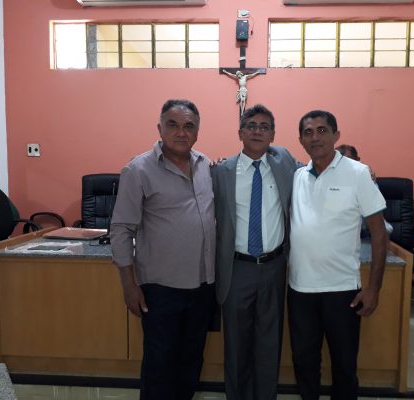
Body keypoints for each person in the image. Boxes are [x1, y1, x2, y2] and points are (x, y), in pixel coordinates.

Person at [110, 99, 216, 400]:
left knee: (191, 361)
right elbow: (121, 229)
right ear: (160, 129)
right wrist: (129, 285)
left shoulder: (206, 165)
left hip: (203, 285)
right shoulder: (138, 169)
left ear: (197, 131)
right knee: (160, 364)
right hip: (160, 288)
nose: (181, 132)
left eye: (189, 126)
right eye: (173, 125)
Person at [288, 110, 388, 400]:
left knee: (344, 365)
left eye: (322, 130)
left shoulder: (358, 173)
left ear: (336, 135)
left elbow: (380, 233)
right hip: (300, 289)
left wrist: (374, 288)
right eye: (308, 132)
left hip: (342, 290)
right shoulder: (297, 176)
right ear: (301, 140)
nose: (315, 137)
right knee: (304, 363)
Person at [212, 104, 297, 400]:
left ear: (273, 134)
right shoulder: (221, 171)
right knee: (236, 344)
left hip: (274, 266)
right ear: (240, 133)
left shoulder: (285, 162)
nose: (257, 131)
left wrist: (361, 170)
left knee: (270, 342)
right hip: (237, 268)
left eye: (264, 127)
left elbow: (318, 169)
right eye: (251, 126)